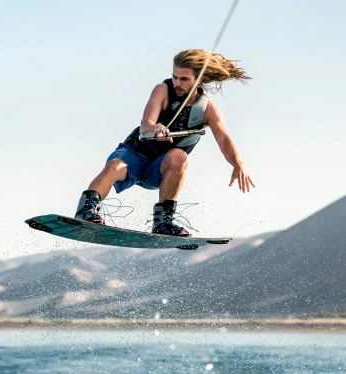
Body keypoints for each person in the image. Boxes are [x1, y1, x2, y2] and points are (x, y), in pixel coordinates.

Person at [74, 48, 254, 236]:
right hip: (134, 155)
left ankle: (164, 223)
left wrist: (238, 164)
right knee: (115, 165)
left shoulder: (208, 110)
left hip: (159, 168)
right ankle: (86, 211)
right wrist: (155, 128)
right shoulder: (162, 91)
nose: (177, 83)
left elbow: (224, 139)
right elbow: (145, 124)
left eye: (184, 79)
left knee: (179, 155)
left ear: (198, 80)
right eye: (175, 77)